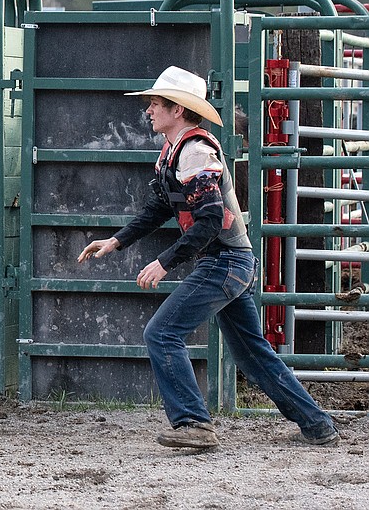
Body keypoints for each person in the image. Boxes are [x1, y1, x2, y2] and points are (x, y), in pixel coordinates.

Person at [78, 66, 340, 449]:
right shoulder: (176, 151)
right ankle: (317, 425)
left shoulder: (196, 152)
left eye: (155, 104)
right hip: (231, 262)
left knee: (162, 334)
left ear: (178, 110)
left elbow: (210, 220)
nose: (149, 110)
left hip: (223, 262)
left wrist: (165, 261)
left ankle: (194, 423)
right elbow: (159, 208)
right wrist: (116, 241)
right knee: (252, 355)